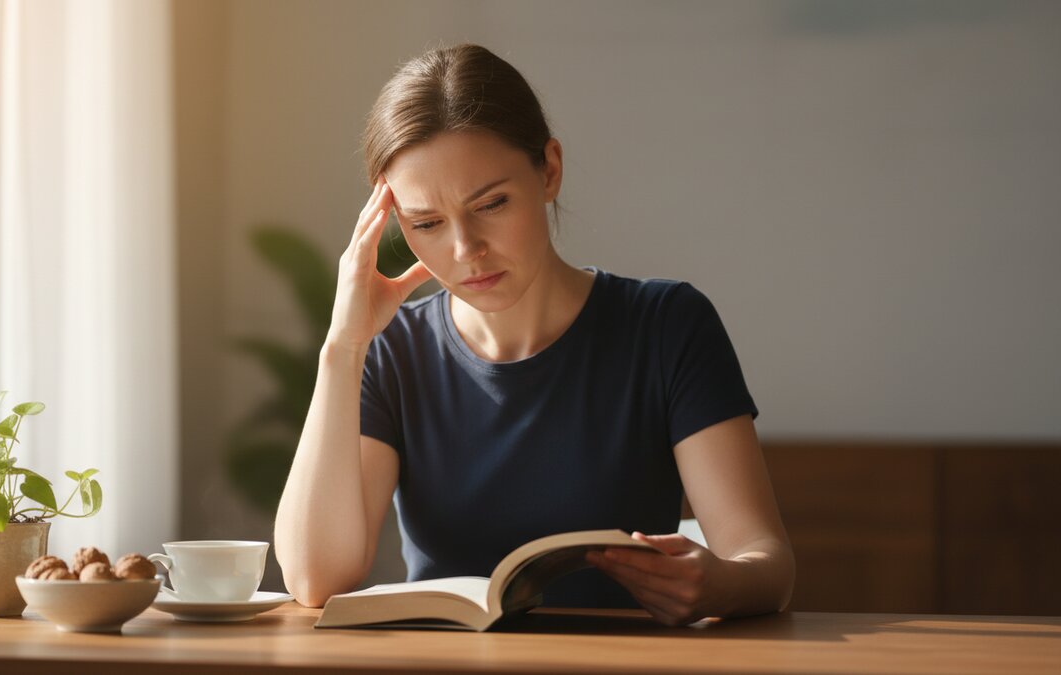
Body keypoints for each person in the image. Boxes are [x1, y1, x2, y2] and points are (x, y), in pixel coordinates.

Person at [274, 43, 795, 626]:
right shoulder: (394, 353)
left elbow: (767, 564)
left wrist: (719, 584)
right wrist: (342, 348)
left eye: (491, 204)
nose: (466, 250)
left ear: (549, 169)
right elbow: (315, 580)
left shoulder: (665, 325)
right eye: (426, 224)